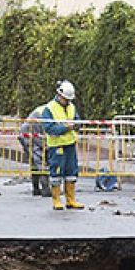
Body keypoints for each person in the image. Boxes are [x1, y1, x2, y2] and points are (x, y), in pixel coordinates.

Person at [40, 80, 84, 210]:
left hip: (70, 144)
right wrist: (65, 128)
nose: (67, 101)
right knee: (56, 173)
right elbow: (49, 128)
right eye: (66, 99)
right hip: (57, 146)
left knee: (71, 172)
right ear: (59, 95)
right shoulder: (49, 108)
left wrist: (75, 125)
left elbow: (78, 121)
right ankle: (56, 200)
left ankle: (71, 200)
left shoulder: (71, 107)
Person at [21, 102, 51, 197]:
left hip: (29, 133)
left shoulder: (47, 110)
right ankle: (45, 189)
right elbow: (45, 133)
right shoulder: (47, 113)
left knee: (35, 162)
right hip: (29, 134)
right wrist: (46, 146)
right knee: (40, 160)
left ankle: (36, 189)